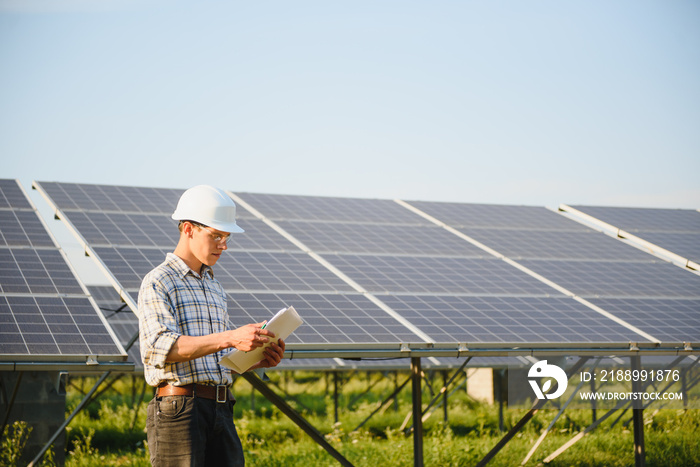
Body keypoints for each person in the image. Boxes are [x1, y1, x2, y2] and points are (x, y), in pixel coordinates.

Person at [138, 185, 285, 467]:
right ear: (188, 229)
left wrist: (257, 358)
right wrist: (230, 337)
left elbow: (218, 359)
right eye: (216, 235)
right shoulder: (159, 281)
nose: (224, 245)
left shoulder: (214, 287)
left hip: (221, 407)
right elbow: (157, 346)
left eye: (226, 237)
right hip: (179, 410)